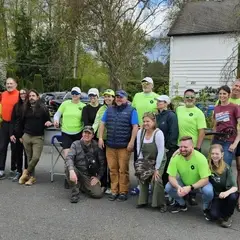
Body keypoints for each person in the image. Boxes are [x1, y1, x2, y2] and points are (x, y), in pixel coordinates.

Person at [98, 90, 139, 201]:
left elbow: (135, 127)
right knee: (112, 169)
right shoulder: (109, 110)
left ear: (126, 98)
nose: (118, 99)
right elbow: (102, 123)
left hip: (124, 146)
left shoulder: (132, 110)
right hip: (110, 145)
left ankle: (123, 191)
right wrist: (101, 138)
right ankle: (114, 190)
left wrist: (131, 142)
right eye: (117, 97)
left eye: (121, 97)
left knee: (123, 170)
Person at [165, 136, 214, 214]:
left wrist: (190, 187)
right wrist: (178, 187)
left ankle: (206, 207)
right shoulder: (175, 157)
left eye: (185, 147)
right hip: (184, 181)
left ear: (192, 147)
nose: (183, 149)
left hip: (199, 184)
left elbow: (205, 179)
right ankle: (182, 204)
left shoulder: (200, 158)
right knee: (168, 187)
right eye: (181, 147)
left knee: (208, 191)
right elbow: (171, 176)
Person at [176, 89, 207, 205]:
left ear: (195, 99)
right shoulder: (178, 109)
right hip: (180, 146)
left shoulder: (198, 112)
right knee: (181, 171)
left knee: (193, 172)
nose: (189, 99)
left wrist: (198, 147)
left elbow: (202, 132)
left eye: (191, 97)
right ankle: (181, 192)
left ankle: (192, 194)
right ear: (184, 98)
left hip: (193, 147)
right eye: (187, 97)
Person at [18, 90, 52, 186]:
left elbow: (48, 121)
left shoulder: (43, 108)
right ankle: (31, 178)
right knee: (29, 158)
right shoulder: (24, 108)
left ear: (37, 97)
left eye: (33, 95)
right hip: (26, 136)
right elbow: (20, 123)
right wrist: (20, 135)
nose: (31, 97)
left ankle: (26, 172)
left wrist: (48, 123)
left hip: (38, 137)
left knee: (35, 157)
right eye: (30, 96)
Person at [131, 77, 159, 195]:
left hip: (152, 132)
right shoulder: (137, 96)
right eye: (143, 83)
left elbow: (158, 115)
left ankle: (151, 184)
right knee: (139, 158)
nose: (145, 85)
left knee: (151, 158)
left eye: (147, 83)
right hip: (139, 131)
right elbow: (133, 111)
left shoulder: (157, 97)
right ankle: (140, 184)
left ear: (152, 85)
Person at [135, 112, 166, 212]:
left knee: (156, 179)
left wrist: (156, 169)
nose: (145, 123)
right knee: (142, 175)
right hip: (146, 159)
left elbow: (161, 152)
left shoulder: (158, 133)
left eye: (148, 121)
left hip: (158, 160)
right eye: (144, 121)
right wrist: (141, 164)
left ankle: (160, 204)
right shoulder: (140, 132)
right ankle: (143, 201)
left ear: (153, 121)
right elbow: (138, 148)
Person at [65, 126, 105, 203]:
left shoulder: (96, 146)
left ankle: (81, 186)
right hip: (77, 171)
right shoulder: (75, 144)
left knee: (98, 194)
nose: (86, 135)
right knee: (68, 167)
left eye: (89, 133)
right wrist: (71, 170)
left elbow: (102, 164)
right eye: (85, 133)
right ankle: (75, 193)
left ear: (93, 136)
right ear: (82, 134)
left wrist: (98, 177)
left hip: (88, 175)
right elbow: (69, 158)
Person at [207, 144, 238, 228]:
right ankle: (220, 209)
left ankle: (228, 216)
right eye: (212, 153)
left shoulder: (226, 168)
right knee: (214, 216)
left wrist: (226, 193)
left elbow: (235, 187)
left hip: (226, 194)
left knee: (233, 196)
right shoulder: (207, 165)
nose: (214, 156)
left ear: (222, 154)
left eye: (217, 154)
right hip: (216, 196)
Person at [92, 89, 115, 193]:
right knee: (102, 162)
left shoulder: (116, 108)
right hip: (101, 138)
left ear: (113, 98)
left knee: (111, 163)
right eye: (105, 96)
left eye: (109, 96)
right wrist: (92, 133)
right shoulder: (101, 109)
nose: (107, 98)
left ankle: (111, 185)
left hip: (112, 138)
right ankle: (103, 183)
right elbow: (96, 122)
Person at [53, 87, 86, 158]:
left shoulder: (83, 106)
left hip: (78, 133)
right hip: (66, 132)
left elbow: (85, 120)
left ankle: (76, 169)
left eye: (76, 94)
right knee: (67, 157)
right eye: (73, 93)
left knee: (78, 156)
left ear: (80, 95)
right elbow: (57, 114)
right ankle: (69, 169)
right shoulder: (65, 104)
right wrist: (56, 120)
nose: (74, 95)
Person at [212, 85, 240, 167]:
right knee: (214, 165)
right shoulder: (216, 108)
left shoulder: (235, 107)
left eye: (224, 94)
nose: (222, 96)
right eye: (220, 94)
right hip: (217, 140)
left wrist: (235, 143)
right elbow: (215, 125)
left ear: (229, 94)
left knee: (225, 166)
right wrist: (212, 141)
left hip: (228, 141)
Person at [156, 95, 179, 187]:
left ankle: (166, 191)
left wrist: (168, 147)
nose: (157, 102)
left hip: (168, 149)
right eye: (157, 101)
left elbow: (173, 132)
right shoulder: (157, 116)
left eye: (160, 101)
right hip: (158, 148)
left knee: (166, 170)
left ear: (166, 103)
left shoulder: (171, 115)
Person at [0, 78, 19, 179]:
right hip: (4, 124)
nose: (9, 85)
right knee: (2, 147)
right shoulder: (2, 94)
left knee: (14, 148)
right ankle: (1, 169)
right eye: (7, 83)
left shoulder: (19, 95)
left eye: (11, 83)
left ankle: (14, 168)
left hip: (15, 125)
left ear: (16, 84)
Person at [9, 88, 28, 181]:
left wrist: (23, 135)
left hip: (27, 134)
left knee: (27, 155)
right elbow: (12, 121)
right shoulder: (16, 106)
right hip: (17, 134)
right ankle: (19, 172)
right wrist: (11, 134)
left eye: (24, 93)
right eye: (21, 94)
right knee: (18, 154)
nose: (22, 95)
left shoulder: (30, 106)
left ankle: (27, 173)